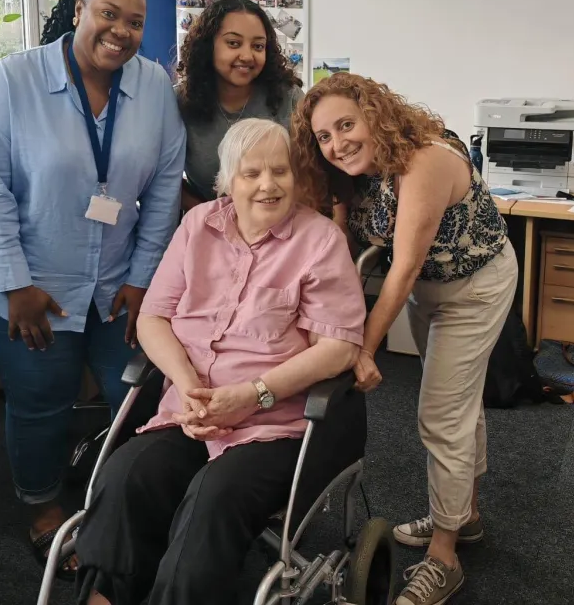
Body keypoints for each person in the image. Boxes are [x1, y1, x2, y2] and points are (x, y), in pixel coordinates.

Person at [0, 0, 185, 578]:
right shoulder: (15, 80)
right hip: (25, 279)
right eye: (109, 13)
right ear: (79, 10)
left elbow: (162, 190)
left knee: (134, 387)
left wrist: (142, 279)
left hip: (112, 278)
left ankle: (129, 499)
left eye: (135, 22)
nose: (121, 31)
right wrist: (14, 286)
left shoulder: (154, 87)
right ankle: (42, 506)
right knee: (42, 393)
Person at [72, 118, 365, 605]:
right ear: (228, 180)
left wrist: (253, 395)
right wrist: (186, 386)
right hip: (192, 411)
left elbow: (337, 348)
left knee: (214, 498)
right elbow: (153, 318)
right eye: (251, 174)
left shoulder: (319, 241)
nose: (268, 185)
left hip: (275, 425)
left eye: (280, 172)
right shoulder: (197, 225)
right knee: (127, 476)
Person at [291, 72, 518, 605]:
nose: (337, 143)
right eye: (324, 136)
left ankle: (444, 556)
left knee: (441, 415)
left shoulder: (425, 160)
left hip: (475, 288)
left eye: (346, 125)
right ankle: (466, 517)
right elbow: (345, 249)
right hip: (432, 290)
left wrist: (362, 347)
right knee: (460, 406)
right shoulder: (357, 170)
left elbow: (403, 268)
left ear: (374, 114)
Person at [175, 0, 304, 210]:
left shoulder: (289, 97)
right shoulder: (179, 103)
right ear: (209, 46)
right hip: (208, 225)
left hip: (283, 221)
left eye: (258, 46)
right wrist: (212, 217)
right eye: (233, 43)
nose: (247, 55)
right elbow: (165, 178)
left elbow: (313, 170)